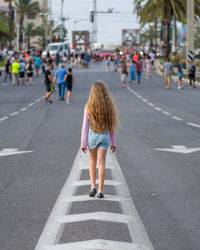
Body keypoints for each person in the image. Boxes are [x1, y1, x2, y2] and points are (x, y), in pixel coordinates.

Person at [81, 81, 118, 198]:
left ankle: (92, 186)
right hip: (104, 137)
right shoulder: (109, 106)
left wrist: (83, 143)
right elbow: (112, 127)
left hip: (92, 137)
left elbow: (85, 126)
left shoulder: (88, 106)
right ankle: (100, 191)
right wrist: (113, 142)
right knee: (102, 163)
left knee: (92, 161)